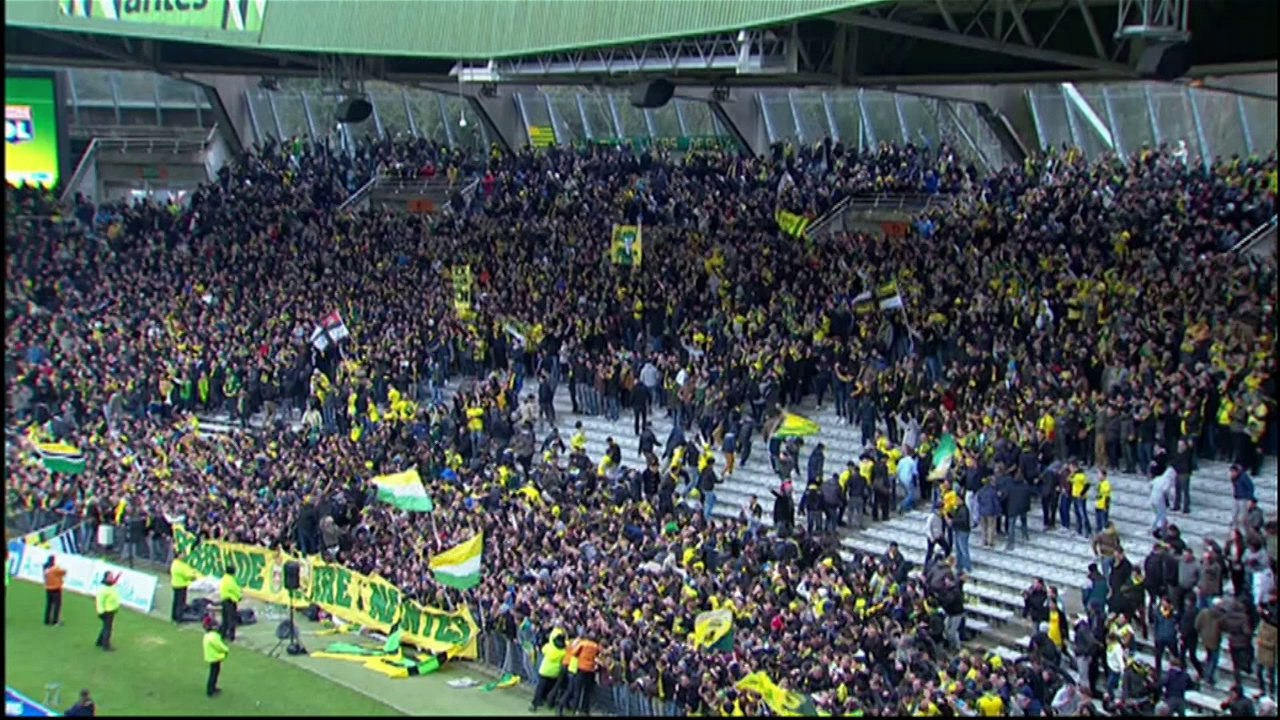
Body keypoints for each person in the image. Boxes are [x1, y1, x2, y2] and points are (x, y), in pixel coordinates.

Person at [530, 627, 567, 712]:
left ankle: (536, 703)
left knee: (540, 687)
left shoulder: (549, 647)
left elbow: (543, 651)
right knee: (550, 687)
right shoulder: (563, 651)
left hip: (545, 670)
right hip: (555, 672)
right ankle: (549, 702)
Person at [202, 615, 230, 697]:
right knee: (214, 674)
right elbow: (220, 646)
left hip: (211, 657)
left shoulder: (207, 636)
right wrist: (226, 650)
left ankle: (213, 688)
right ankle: (211, 690)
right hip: (215, 658)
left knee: (214, 673)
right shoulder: (213, 637)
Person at [94, 572, 120, 651]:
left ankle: (99, 642)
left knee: (106, 627)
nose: (112, 578)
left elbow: (114, 583)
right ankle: (106, 646)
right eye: (110, 576)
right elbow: (99, 601)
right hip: (106, 611)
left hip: (110, 610)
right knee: (108, 628)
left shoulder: (110, 586)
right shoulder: (103, 589)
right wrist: (101, 611)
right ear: (105, 578)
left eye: (112, 576)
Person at [170, 552, 198, 623]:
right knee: (180, 603)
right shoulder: (180, 565)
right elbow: (187, 574)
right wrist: (193, 574)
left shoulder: (174, 563)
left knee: (176, 602)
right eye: (182, 554)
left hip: (175, 584)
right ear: (178, 555)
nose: (184, 556)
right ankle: (179, 618)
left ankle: (174, 616)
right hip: (181, 585)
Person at [219, 564, 241, 641]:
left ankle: (223, 634)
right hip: (230, 601)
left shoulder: (224, 578)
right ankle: (231, 636)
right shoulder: (231, 580)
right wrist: (239, 597)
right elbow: (236, 590)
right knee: (231, 619)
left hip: (224, 600)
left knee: (225, 619)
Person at [43, 555, 66, 626]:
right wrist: (58, 567)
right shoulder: (55, 569)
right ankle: (55, 621)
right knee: (57, 605)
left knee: (49, 605)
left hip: (48, 588)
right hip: (56, 588)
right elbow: (64, 572)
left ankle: (46, 620)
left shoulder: (45, 569)